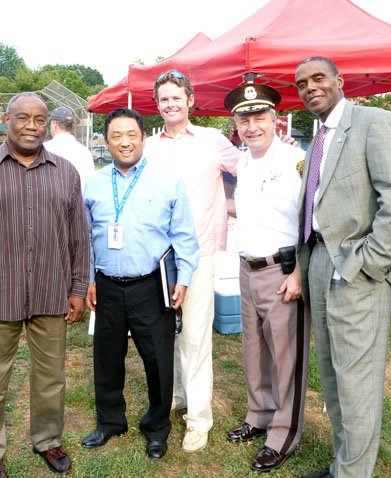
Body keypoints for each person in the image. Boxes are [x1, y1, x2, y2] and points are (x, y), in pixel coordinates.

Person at [294, 57, 391, 478]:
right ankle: (342, 465)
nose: (310, 87)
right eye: (301, 83)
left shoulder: (373, 121)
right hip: (318, 262)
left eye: (318, 78)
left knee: (357, 382)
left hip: (356, 270)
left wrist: (368, 265)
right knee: (332, 376)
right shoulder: (318, 138)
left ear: (338, 81)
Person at [0, 92, 89, 477]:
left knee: (51, 378)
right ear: (7, 119)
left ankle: (47, 440)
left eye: (40, 119)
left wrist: (78, 288)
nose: (32, 125)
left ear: (48, 124)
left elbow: (78, 236)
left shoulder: (66, 172)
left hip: (51, 292)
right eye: (23, 117)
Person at [82, 108, 199, 460]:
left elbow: (184, 236)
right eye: (116, 135)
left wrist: (185, 278)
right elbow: (86, 237)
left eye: (131, 134)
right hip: (106, 285)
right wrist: (88, 279)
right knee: (106, 357)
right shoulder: (95, 182)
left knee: (158, 359)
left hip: (151, 285)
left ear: (143, 137)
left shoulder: (167, 180)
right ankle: (110, 421)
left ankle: (156, 428)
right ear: (106, 141)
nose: (124, 142)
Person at [145, 70, 241, 453]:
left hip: (198, 252)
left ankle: (198, 418)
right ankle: (175, 396)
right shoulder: (150, 147)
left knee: (196, 336)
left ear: (190, 100)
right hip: (158, 256)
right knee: (163, 332)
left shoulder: (213, 141)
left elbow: (247, 171)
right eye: (164, 99)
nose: (170, 104)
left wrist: (232, 206)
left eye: (176, 97)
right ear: (158, 104)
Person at [223, 84, 310, 473]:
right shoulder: (242, 162)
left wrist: (299, 272)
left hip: (283, 271)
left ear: (276, 119)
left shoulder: (298, 161)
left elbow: (312, 222)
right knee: (254, 349)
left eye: (260, 117)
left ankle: (284, 433)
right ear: (236, 124)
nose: (252, 126)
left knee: (286, 356)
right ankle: (259, 414)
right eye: (245, 118)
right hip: (247, 267)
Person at [44, 106, 96, 190]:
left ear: (54, 124)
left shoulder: (44, 149)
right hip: (81, 201)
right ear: (71, 126)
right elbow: (91, 185)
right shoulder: (85, 152)